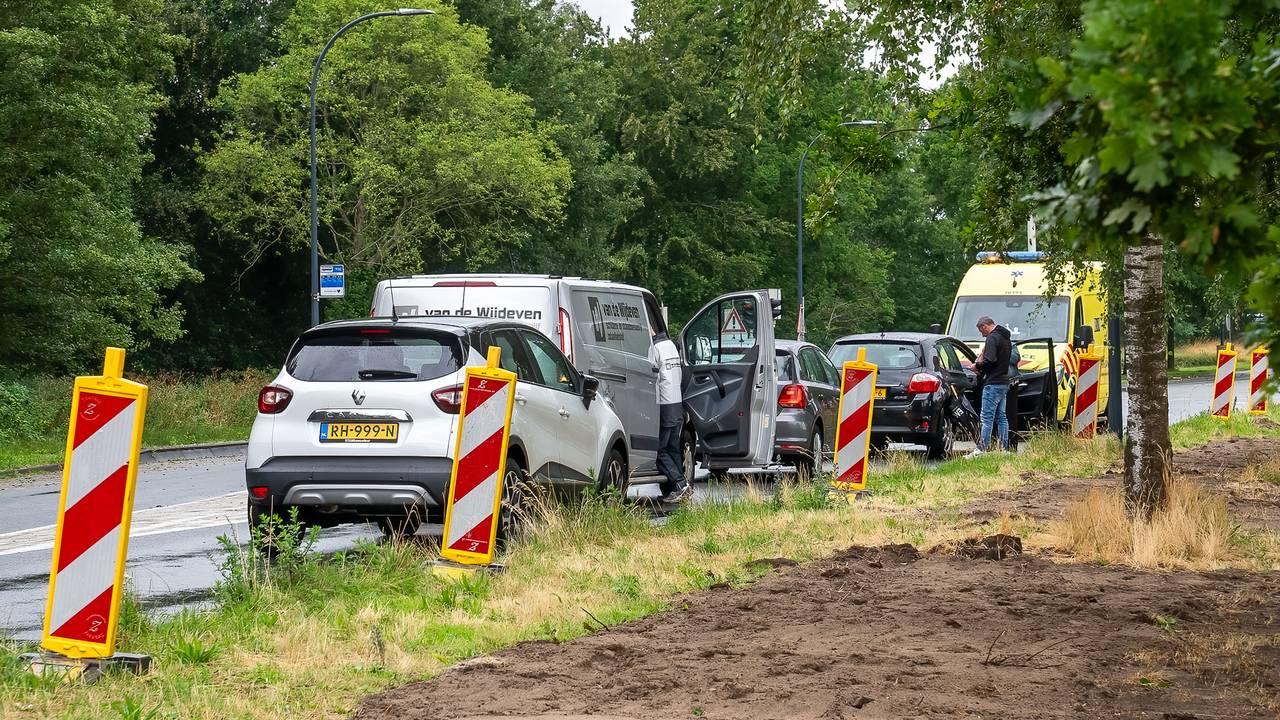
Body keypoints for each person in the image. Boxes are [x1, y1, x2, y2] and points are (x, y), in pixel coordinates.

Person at [649, 328, 691, 503]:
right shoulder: (671, 345)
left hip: (664, 404)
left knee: (659, 452)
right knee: (674, 449)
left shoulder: (655, 349)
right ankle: (674, 490)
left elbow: (651, 377)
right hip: (676, 402)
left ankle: (680, 484)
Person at [967, 315, 1011, 457]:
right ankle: (1003, 449)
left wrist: (977, 366)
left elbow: (990, 360)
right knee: (1002, 417)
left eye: (981, 331)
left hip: (993, 383)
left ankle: (981, 449)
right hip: (1004, 381)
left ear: (984, 326)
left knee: (986, 417)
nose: (982, 334)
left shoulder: (992, 338)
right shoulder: (1005, 337)